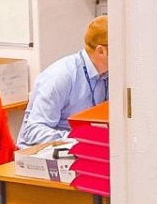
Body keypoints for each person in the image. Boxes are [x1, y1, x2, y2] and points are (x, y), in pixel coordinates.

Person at [17, 16, 108, 146]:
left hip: (81, 147)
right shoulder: (61, 76)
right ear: (101, 50)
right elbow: (33, 132)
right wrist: (79, 139)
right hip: (43, 151)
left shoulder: (107, 75)